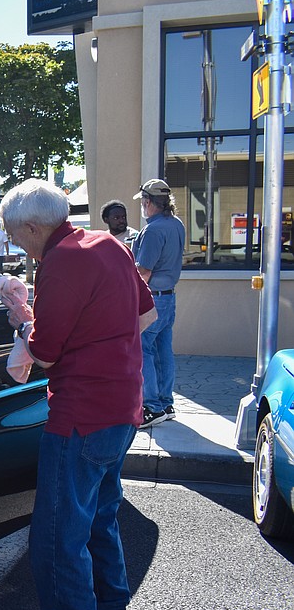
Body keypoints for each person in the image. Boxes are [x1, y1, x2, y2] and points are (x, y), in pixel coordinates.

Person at [0, 178, 156, 610]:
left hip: (79, 413)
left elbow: (44, 352)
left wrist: (22, 318)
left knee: (58, 530)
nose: (14, 244)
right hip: (123, 407)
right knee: (100, 518)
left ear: (31, 226)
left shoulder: (60, 262)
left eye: (14, 234)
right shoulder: (108, 244)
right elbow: (146, 315)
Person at [133, 179, 185, 427]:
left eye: (143, 201)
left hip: (152, 297)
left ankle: (152, 407)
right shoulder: (176, 224)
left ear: (148, 202)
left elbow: (143, 271)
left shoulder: (153, 230)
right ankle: (165, 403)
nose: (142, 206)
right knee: (163, 349)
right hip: (169, 296)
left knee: (143, 349)